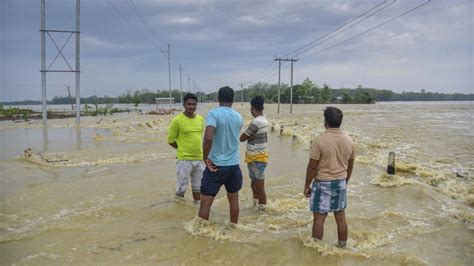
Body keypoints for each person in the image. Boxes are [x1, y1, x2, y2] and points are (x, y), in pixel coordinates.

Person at [303, 107, 355, 248]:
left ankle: (317, 249)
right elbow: (350, 165)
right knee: (340, 217)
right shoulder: (349, 140)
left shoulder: (319, 140)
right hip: (340, 182)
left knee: (319, 219)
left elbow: (312, 167)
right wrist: (345, 182)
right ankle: (343, 246)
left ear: (325, 122)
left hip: (322, 183)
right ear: (340, 122)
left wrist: (307, 185)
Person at [198, 86, 243, 224]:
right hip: (234, 166)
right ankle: (233, 228)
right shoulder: (239, 117)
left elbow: (208, 138)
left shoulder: (213, 114)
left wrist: (205, 158)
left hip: (215, 165)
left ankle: (200, 234)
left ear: (218, 98)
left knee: (205, 202)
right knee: (234, 199)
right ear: (233, 100)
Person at [167, 93, 205, 203]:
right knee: (181, 188)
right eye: (189, 104)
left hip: (199, 158)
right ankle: (179, 211)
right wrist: (181, 149)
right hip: (184, 160)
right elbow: (170, 140)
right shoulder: (177, 120)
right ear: (184, 105)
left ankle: (196, 209)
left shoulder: (200, 119)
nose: (191, 106)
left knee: (198, 187)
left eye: (194, 104)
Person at [239, 96, 269, 210]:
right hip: (260, 156)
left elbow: (242, 138)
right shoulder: (264, 119)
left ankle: (262, 209)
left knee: (259, 185)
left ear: (252, 108)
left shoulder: (256, 122)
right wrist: (250, 136)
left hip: (256, 158)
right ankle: (255, 204)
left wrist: (249, 136)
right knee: (254, 183)